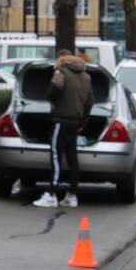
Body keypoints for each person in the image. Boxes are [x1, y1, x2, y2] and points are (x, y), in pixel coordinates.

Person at [33, 48, 94, 209]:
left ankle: (52, 194)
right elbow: (90, 102)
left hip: (60, 120)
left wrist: (51, 99)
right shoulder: (86, 76)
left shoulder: (61, 71)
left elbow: (56, 87)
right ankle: (72, 195)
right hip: (75, 122)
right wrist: (83, 122)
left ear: (61, 60)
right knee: (72, 158)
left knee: (55, 156)